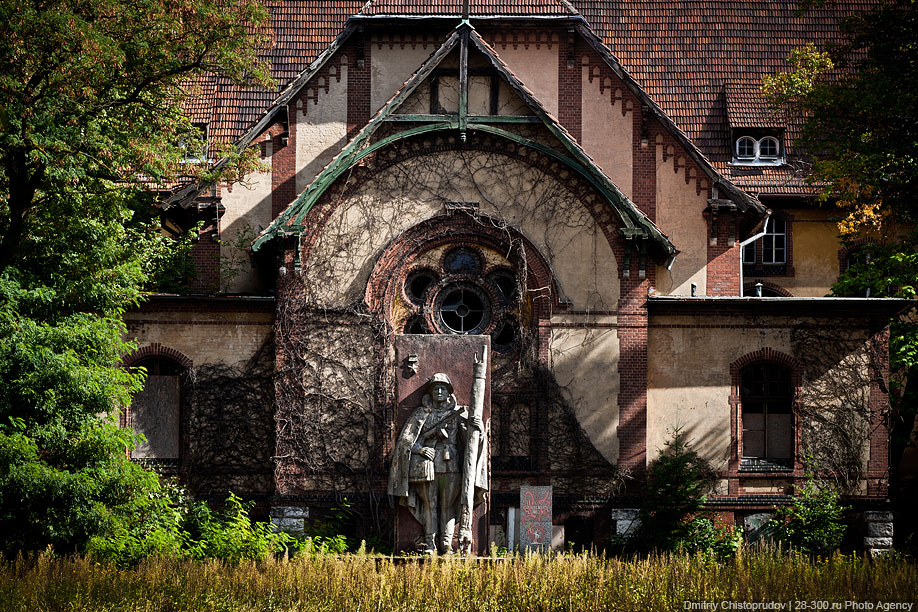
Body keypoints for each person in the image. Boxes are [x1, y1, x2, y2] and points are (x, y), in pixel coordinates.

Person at [388, 373, 487, 554]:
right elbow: (406, 441)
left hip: (451, 466)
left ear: (449, 392)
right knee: (430, 504)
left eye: (443, 388)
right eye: (436, 388)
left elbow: (470, 442)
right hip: (428, 467)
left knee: (447, 507)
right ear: (430, 392)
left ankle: (446, 544)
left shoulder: (459, 413)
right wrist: (419, 449)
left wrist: (478, 430)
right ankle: (430, 544)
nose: (439, 391)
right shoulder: (421, 413)